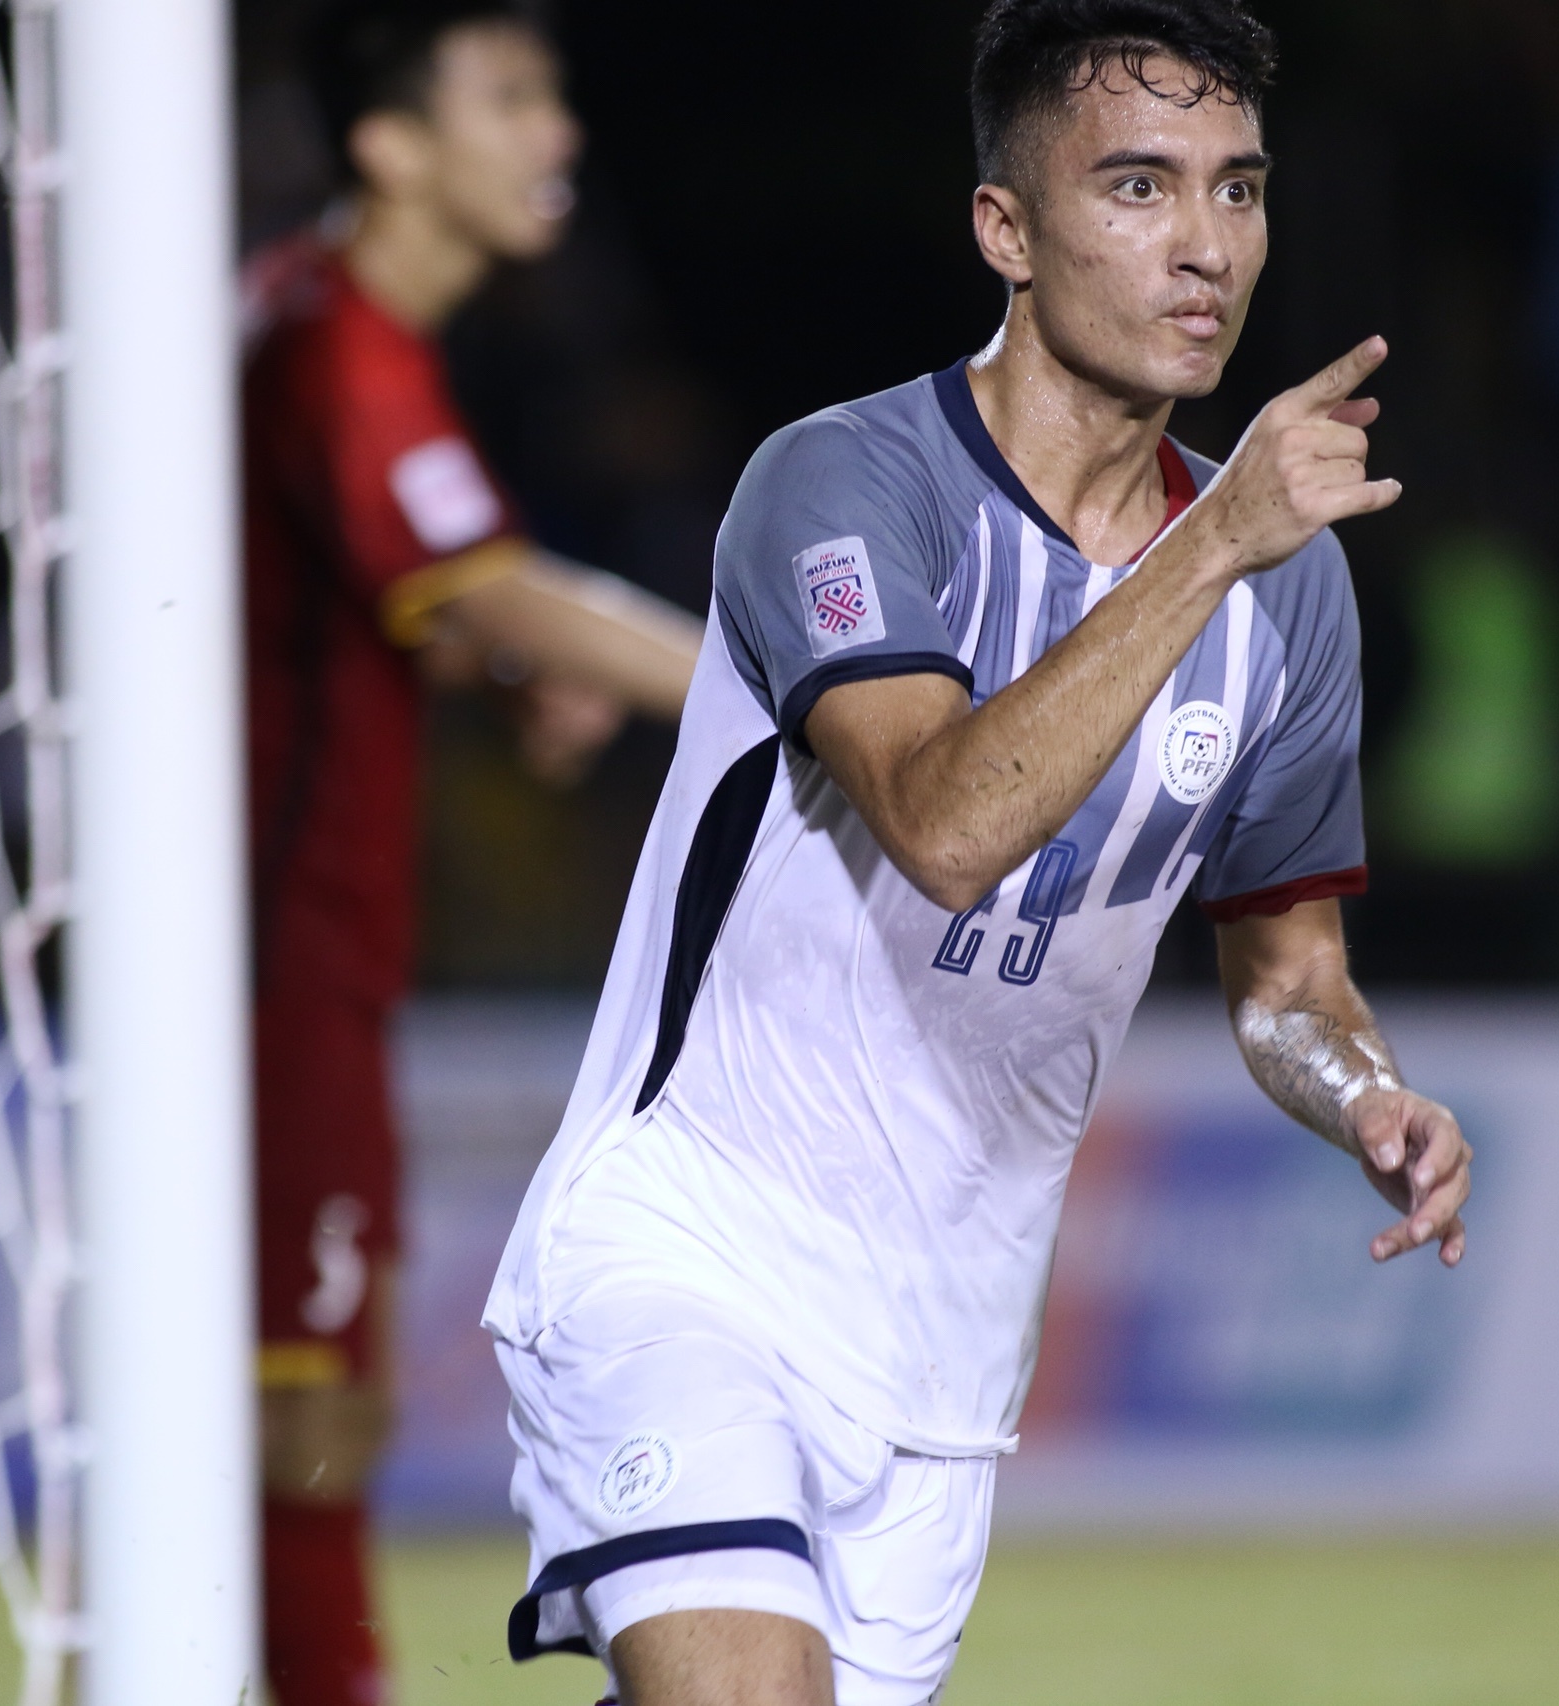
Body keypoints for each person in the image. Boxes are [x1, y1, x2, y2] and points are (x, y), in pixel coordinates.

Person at [481, 1, 1474, 1702]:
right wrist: (1215, 539)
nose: (1204, 247)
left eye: (1237, 191)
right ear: (1005, 230)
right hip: (685, 1255)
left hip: (940, 1368)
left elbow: (1289, 980)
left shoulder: (1289, 592)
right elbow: (944, 822)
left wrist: (1359, 1087)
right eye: (1141, 189)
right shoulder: (846, 485)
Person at [241, 3, 703, 1701]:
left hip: (278, 935)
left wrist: (487, 663)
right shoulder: (344, 346)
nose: (557, 133)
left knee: (292, 1372)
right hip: (282, 949)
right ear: (391, 146)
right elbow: (499, 581)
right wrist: (772, 685)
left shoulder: (294, 316)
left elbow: (359, 598)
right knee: (305, 1383)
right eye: (511, 97)